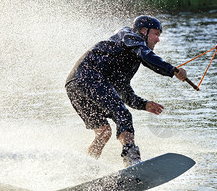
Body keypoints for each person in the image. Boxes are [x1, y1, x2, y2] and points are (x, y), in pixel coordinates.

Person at [65, 16, 187, 167]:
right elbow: (147, 56)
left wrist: (144, 104)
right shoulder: (129, 35)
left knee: (103, 132)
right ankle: (132, 161)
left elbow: (124, 91)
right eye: (156, 34)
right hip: (88, 76)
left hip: (74, 85)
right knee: (123, 115)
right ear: (144, 31)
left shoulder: (128, 55)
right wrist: (172, 70)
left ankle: (87, 167)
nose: (158, 40)